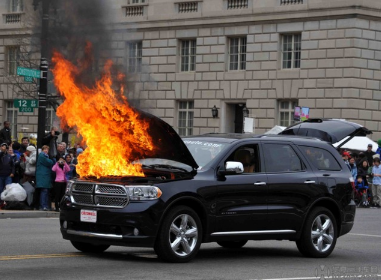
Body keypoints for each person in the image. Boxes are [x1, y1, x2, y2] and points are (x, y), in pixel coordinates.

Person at [36, 145, 54, 211]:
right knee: (44, 191)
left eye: (47, 149)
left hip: (45, 176)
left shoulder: (44, 156)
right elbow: (49, 162)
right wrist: (51, 161)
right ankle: (43, 205)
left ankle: (45, 205)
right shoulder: (42, 156)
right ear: (42, 150)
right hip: (43, 176)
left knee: (45, 191)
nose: (46, 151)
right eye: (45, 149)